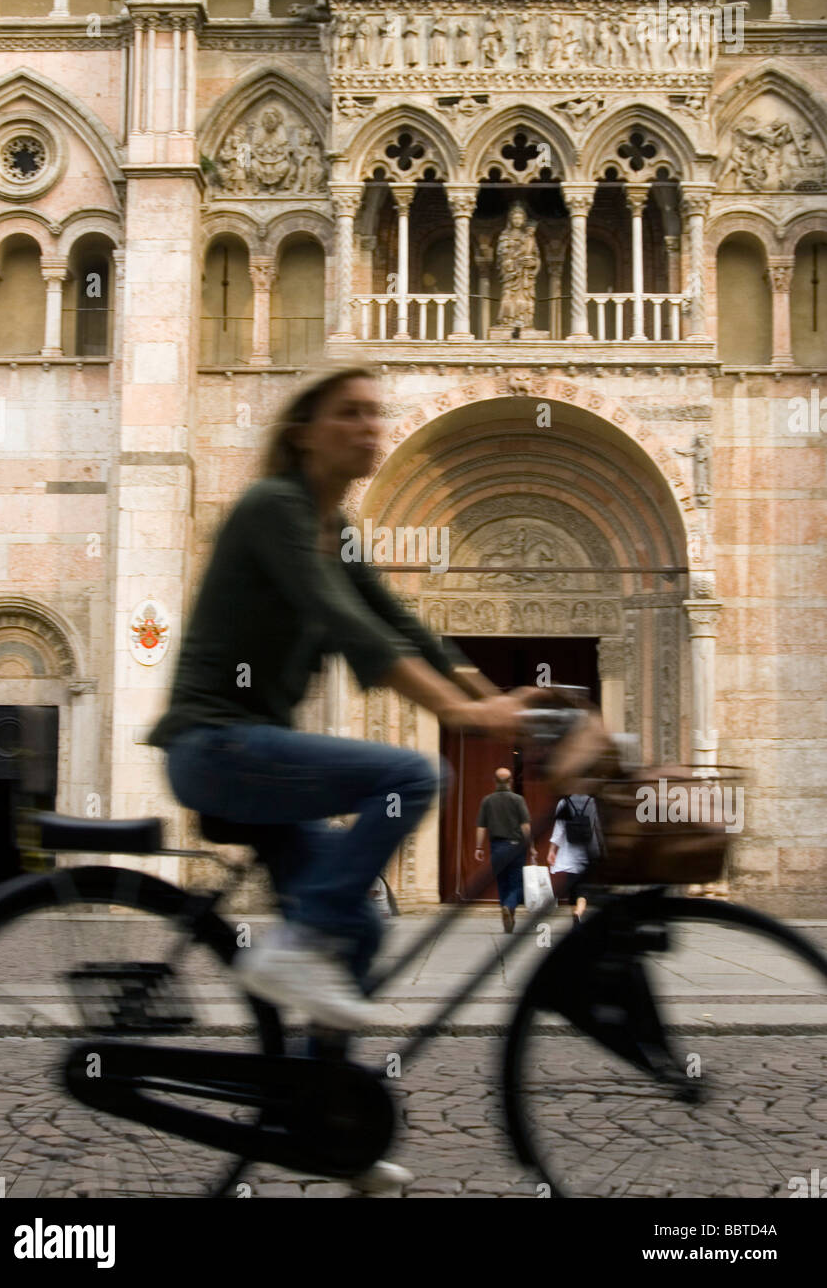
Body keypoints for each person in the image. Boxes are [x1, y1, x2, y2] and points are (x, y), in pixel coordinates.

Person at [148, 366, 539, 1035]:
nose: (368, 427)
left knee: (357, 930)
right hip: (214, 746)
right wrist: (460, 714)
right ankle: (296, 949)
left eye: (372, 412)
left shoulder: (340, 531)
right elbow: (344, 622)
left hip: (253, 759)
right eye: (347, 413)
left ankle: (312, 1122)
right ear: (303, 434)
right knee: (413, 774)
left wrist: (494, 695)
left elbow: (401, 622)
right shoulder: (273, 506)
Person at [475, 766, 535, 933]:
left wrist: (478, 847)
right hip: (516, 846)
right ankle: (509, 907)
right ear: (511, 782)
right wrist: (531, 846)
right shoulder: (518, 800)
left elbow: (481, 826)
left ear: (494, 781)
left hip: (497, 847)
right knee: (516, 884)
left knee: (502, 882)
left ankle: (507, 914)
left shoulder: (487, 800)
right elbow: (525, 825)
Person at [547, 792, 601, 925]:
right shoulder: (592, 802)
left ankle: (575, 917)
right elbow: (597, 827)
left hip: (569, 855)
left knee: (573, 890)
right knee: (583, 891)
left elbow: (558, 830)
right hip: (587, 852)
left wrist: (551, 850)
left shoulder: (564, 803)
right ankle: (579, 912)